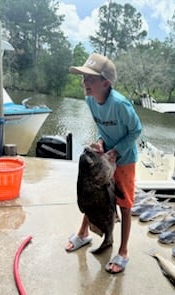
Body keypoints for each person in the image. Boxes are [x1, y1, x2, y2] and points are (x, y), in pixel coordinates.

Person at [65, 53, 142, 274]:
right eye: (83, 77)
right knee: (92, 196)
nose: (84, 83)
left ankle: (124, 250)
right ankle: (84, 234)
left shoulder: (120, 104)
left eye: (90, 79)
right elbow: (102, 127)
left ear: (105, 83)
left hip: (125, 159)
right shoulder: (90, 99)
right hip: (104, 156)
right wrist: (100, 142)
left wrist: (116, 152)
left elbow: (136, 130)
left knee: (125, 205)